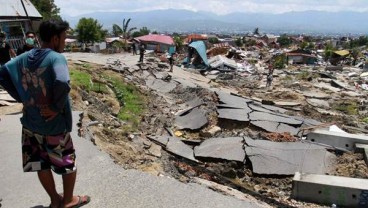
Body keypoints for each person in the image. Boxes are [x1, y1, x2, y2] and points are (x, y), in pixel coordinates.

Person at [0, 20, 90, 208]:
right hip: (53, 124)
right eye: (64, 38)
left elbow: (2, 72)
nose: (65, 42)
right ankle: (68, 200)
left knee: (40, 164)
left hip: (30, 124)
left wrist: (22, 98)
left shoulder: (25, 56)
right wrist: (56, 108)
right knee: (67, 162)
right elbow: (63, 82)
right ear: (55, 38)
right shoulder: (56, 58)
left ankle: (54, 201)